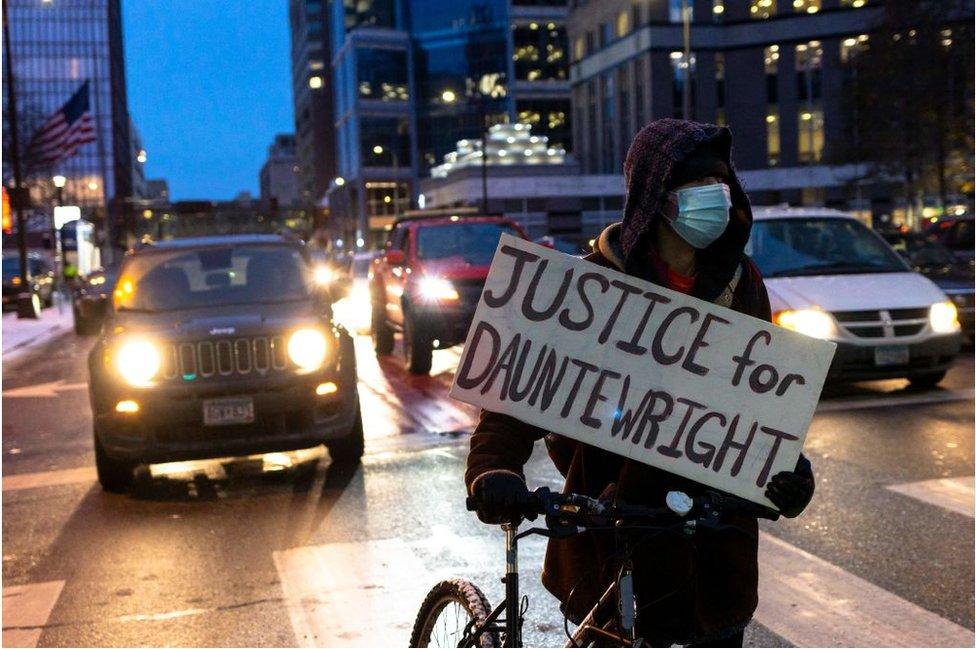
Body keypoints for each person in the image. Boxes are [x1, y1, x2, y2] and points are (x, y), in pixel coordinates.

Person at [465, 119, 815, 647]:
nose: (714, 198)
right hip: (617, 533)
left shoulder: (745, 283)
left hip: (716, 543)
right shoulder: (590, 286)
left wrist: (787, 470)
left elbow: (759, 406)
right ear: (656, 196)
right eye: (696, 185)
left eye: (721, 183)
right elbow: (523, 387)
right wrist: (493, 467)